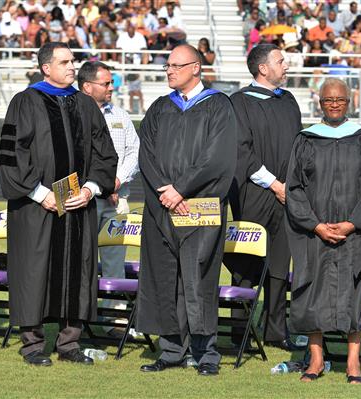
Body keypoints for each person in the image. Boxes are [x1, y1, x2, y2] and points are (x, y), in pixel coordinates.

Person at [0, 42, 118, 367]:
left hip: (78, 204)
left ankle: (69, 343)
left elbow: (105, 153)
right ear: (46, 67)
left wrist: (92, 189)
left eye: (72, 61)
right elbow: (11, 156)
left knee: (77, 269)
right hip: (36, 205)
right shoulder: (25, 102)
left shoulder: (85, 104)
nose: (71, 66)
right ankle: (33, 345)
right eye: (64, 62)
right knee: (35, 269)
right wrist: (39, 193)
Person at [136, 44, 237, 376]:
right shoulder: (160, 108)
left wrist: (182, 189)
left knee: (199, 278)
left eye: (176, 65)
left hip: (201, 206)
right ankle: (171, 350)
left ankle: (206, 352)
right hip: (163, 206)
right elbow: (146, 155)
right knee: (164, 276)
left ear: (196, 67)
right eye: (167, 65)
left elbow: (217, 157)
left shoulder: (219, 106)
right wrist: (166, 190)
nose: (168, 70)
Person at [285, 78, 361, 383]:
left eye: (339, 100)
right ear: (320, 103)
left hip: (352, 234)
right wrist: (315, 225)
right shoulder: (306, 139)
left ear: (348, 102)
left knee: (353, 292)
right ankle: (316, 360)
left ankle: (353, 363)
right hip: (314, 231)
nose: (334, 104)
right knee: (312, 292)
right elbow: (295, 188)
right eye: (328, 100)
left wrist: (352, 223)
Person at [225, 44, 303, 353]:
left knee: (280, 265)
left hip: (287, 195)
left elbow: (299, 145)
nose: (286, 66)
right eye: (281, 61)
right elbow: (242, 151)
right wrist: (274, 184)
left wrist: (292, 185)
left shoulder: (289, 101)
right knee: (246, 263)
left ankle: (275, 331)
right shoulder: (239, 103)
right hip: (253, 193)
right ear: (263, 69)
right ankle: (238, 333)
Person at [77, 61, 140, 336]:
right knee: (81, 260)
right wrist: (99, 184)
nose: (111, 88)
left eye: (111, 83)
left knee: (115, 262)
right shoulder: (72, 112)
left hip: (117, 200)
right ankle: (79, 317)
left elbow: (134, 152)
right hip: (83, 201)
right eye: (106, 83)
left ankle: (115, 320)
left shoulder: (121, 115)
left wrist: (115, 181)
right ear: (87, 86)